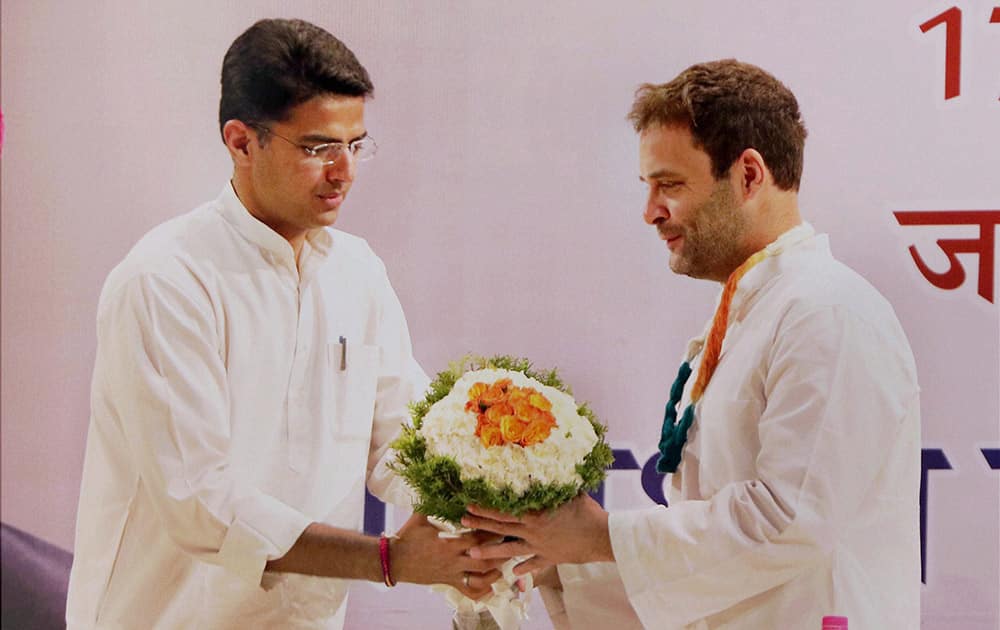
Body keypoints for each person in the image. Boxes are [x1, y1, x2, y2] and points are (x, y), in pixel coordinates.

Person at [66, 18, 503, 629]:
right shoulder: (167, 279)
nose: (344, 170)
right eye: (319, 148)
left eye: (356, 145)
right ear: (242, 142)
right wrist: (389, 559)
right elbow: (200, 504)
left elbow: (401, 437)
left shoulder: (358, 272)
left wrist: (485, 513)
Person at [463, 59, 921, 629]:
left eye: (670, 185)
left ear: (749, 175)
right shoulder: (751, 311)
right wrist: (555, 560)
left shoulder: (826, 312)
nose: (651, 211)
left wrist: (600, 538)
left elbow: (790, 521)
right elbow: (710, 570)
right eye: (648, 186)